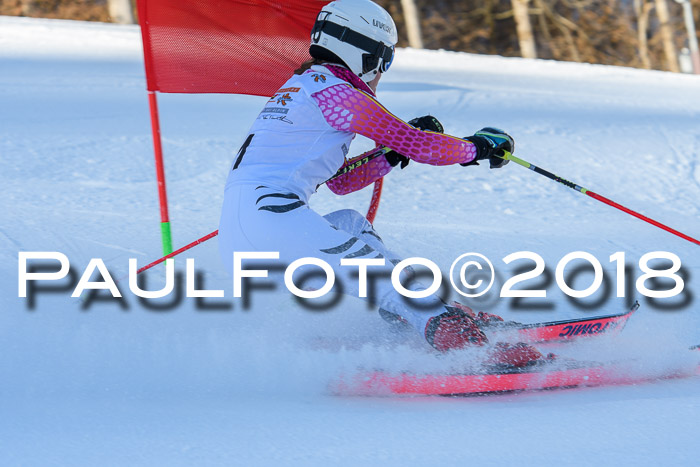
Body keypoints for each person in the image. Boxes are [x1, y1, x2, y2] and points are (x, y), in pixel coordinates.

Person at [219, 0, 543, 367]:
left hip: (250, 226)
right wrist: (478, 148)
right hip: (274, 219)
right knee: (377, 273)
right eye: (385, 60)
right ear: (365, 54)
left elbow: (342, 182)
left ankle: (422, 313)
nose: (382, 72)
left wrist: (389, 154)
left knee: (351, 225)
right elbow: (418, 144)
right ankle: (472, 350)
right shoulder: (334, 90)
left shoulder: (306, 85)